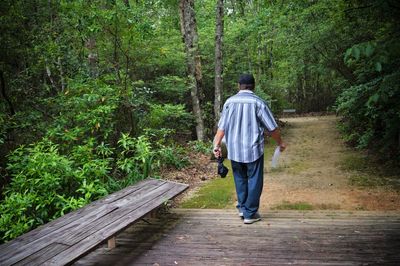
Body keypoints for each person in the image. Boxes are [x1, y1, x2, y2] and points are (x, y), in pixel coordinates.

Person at [213, 73, 286, 224]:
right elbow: (272, 128)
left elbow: (222, 127)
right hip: (253, 150)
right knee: (254, 180)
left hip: (234, 150)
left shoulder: (229, 102)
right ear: (254, 86)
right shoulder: (258, 103)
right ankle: (250, 214)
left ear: (238, 86)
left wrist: (217, 144)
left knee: (240, 179)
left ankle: (242, 208)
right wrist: (280, 143)